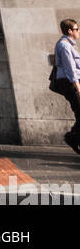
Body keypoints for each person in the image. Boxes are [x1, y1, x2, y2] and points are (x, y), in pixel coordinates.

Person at [53, 18, 80, 155]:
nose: (78, 31)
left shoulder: (68, 45)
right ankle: (72, 137)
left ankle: (73, 137)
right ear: (70, 31)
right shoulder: (64, 46)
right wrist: (77, 87)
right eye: (76, 29)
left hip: (71, 83)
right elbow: (70, 69)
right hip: (70, 84)